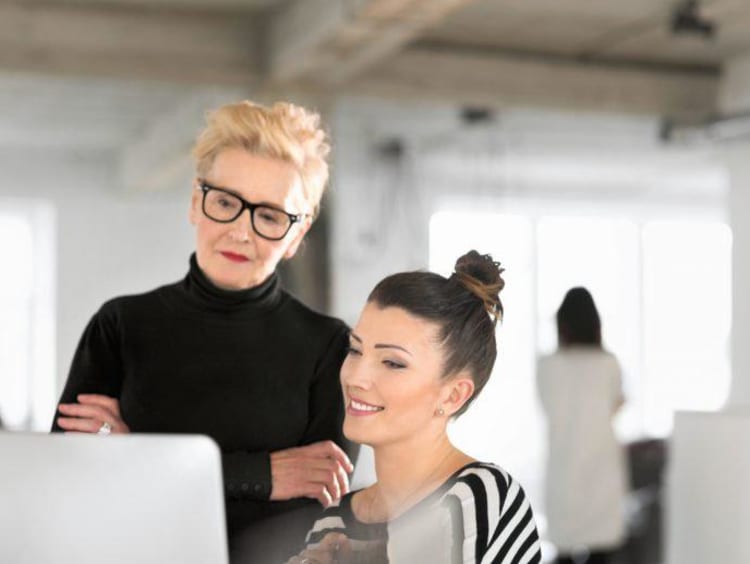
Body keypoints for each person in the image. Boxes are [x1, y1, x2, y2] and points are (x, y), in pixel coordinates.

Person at [51, 100, 357, 562]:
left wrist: (136, 455)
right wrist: (264, 474)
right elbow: (69, 477)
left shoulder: (329, 347)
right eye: (226, 203)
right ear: (197, 202)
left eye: (270, 216)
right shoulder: (120, 327)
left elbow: (318, 504)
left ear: (297, 233)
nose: (240, 231)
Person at [291, 251, 542, 564]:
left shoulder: (479, 495)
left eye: (393, 363)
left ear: (452, 396)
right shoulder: (333, 521)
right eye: (355, 350)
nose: (356, 377)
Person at [537, 287, 627, 564]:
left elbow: (547, 407)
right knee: (604, 552)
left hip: (564, 470)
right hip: (602, 470)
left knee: (563, 551)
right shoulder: (608, 363)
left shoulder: (547, 366)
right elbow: (616, 404)